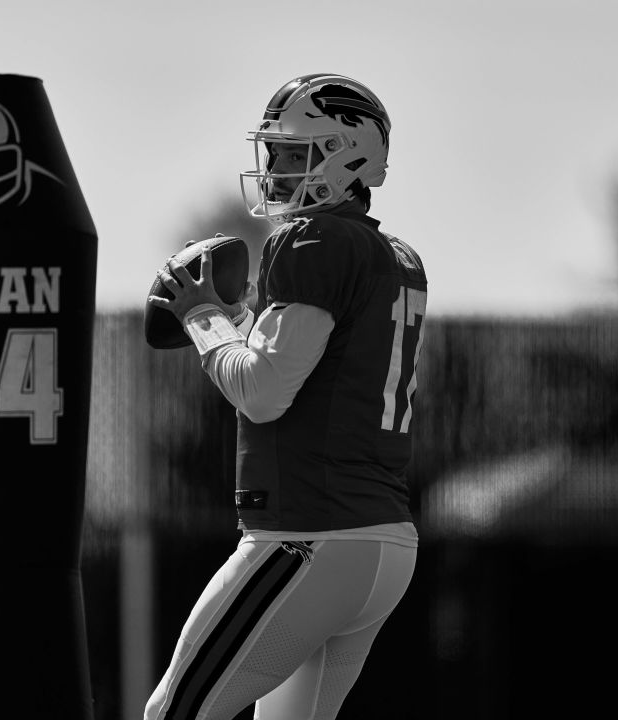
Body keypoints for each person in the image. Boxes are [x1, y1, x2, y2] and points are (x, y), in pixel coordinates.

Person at [143, 74, 428, 720]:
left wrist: (203, 316)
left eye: (297, 153)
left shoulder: (314, 242)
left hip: (309, 536)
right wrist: (244, 322)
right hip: (383, 545)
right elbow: (310, 373)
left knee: (174, 713)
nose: (277, 169)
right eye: (276, 152)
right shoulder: (398, 257)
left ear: (349, 154)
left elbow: (264, 392)